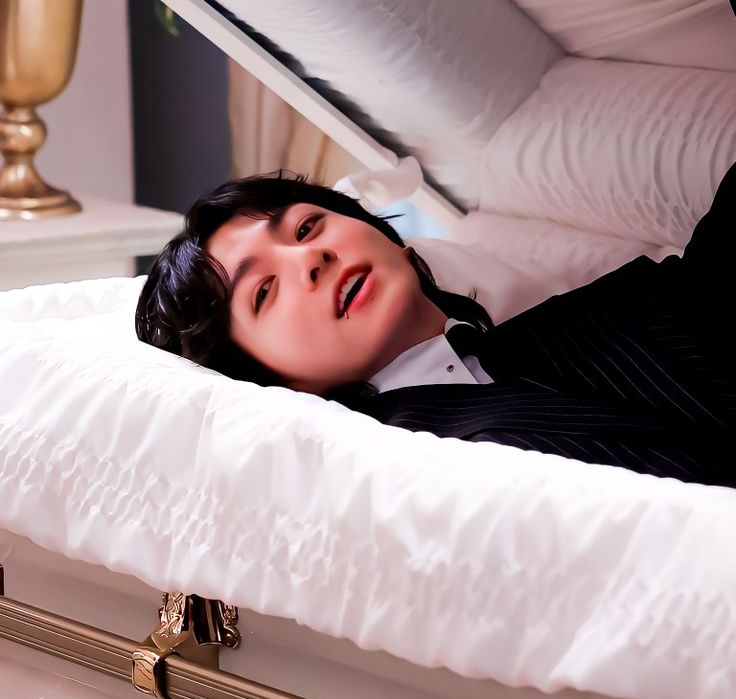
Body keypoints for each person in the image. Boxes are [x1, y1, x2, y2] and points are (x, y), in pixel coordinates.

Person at [136, 164, 736, 488]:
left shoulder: (578, 320)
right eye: (264, 291)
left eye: (307, 228)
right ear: (270, 380)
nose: (310, 260)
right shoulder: (406, 470)